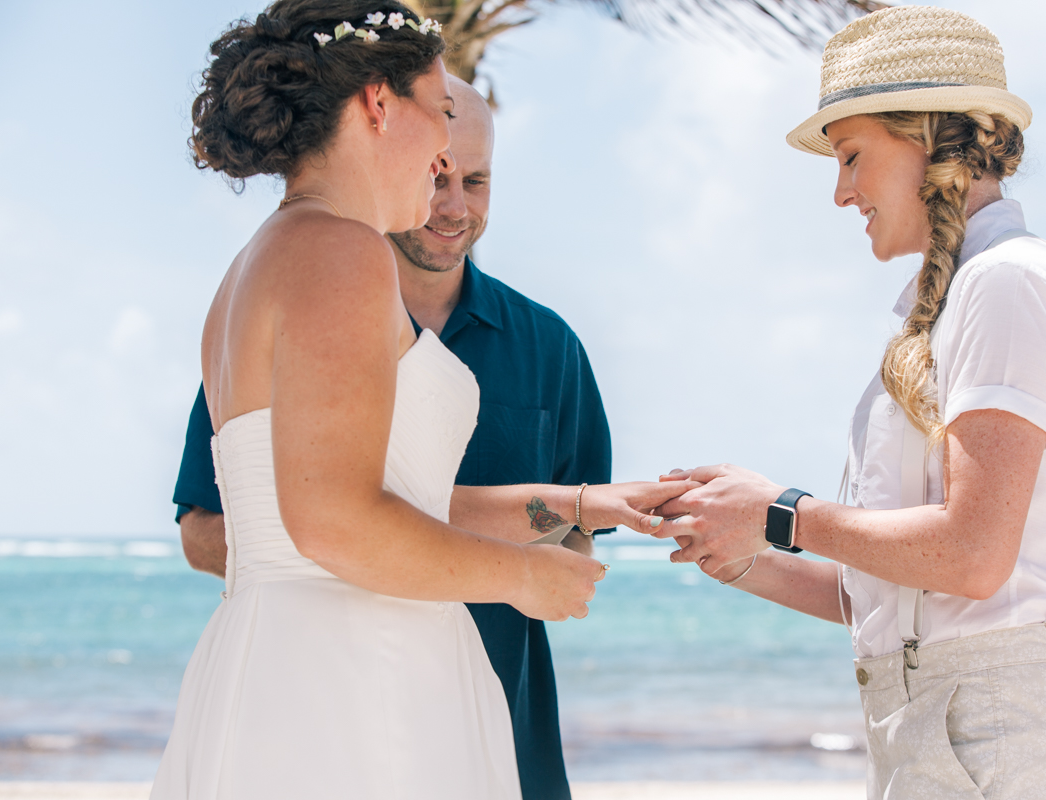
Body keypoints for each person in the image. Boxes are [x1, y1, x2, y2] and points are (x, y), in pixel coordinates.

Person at [152, 3, 690, 798]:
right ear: (378, 103)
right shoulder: (341, 251)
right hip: (356, 684)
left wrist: (586, 503)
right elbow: (335, 523)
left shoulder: (259, 262)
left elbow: (391, 500)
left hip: (290, 664)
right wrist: (520, 579)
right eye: (440, 114)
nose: (443, 152)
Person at [652, 7, 1046, 799]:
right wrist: (740, 551)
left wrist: (780, 512)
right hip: (946, 727)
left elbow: (971, 556)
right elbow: (890, 594)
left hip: (986, 734)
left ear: (924, 136)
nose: (841, 192)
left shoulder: (1007, 282)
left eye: (851, 156)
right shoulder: (962, 296)